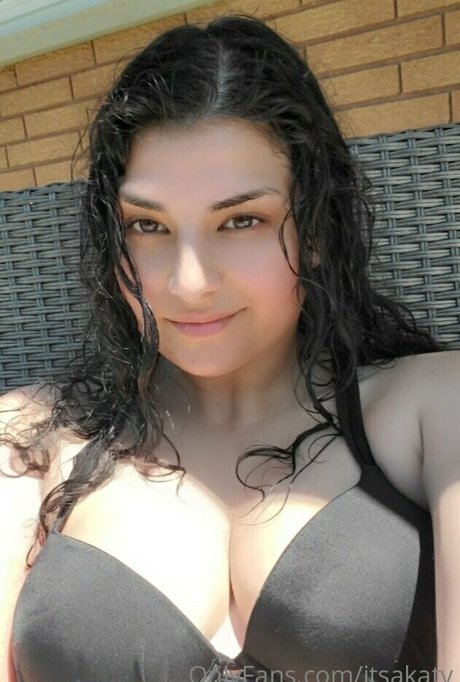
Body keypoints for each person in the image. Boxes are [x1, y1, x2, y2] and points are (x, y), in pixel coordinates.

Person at [1, 14, 459, 682]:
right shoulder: (28, 441)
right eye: (148, 225)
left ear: (317, 229)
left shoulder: (437, 405)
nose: (188, 282)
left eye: (241, 220)